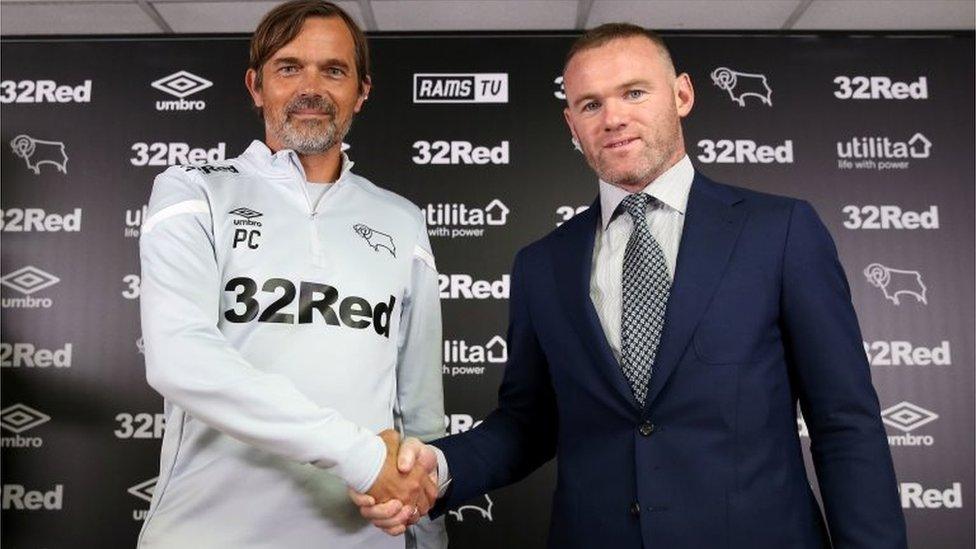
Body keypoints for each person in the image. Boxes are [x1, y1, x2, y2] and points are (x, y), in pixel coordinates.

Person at [352, 23, 907, 548]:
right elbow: (528, 424)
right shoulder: (543, 264)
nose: (612, 117)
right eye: (590, 104)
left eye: (634, 93)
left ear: (682, 95)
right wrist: (441, 469)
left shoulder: (780, 231)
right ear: (572, 125)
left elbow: (845, 421)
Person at [137, 1, 445, 547]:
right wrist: (361, 456)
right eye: (288, 67)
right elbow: (180, 358)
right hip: (209, 533)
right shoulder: (193, 190)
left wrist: (425, 526)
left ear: (362, 92)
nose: (312, 87)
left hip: (364, 535)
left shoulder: (402, 218)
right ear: (256, 86)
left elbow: (419, 403)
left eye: (334, 70)